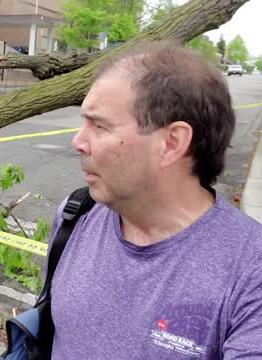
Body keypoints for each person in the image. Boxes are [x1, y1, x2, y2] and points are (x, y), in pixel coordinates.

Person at [48, 43, 262, 359]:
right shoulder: (75, 216)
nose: (78, 141)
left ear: (171, 142)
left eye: (100, 125)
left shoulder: (250, 269)